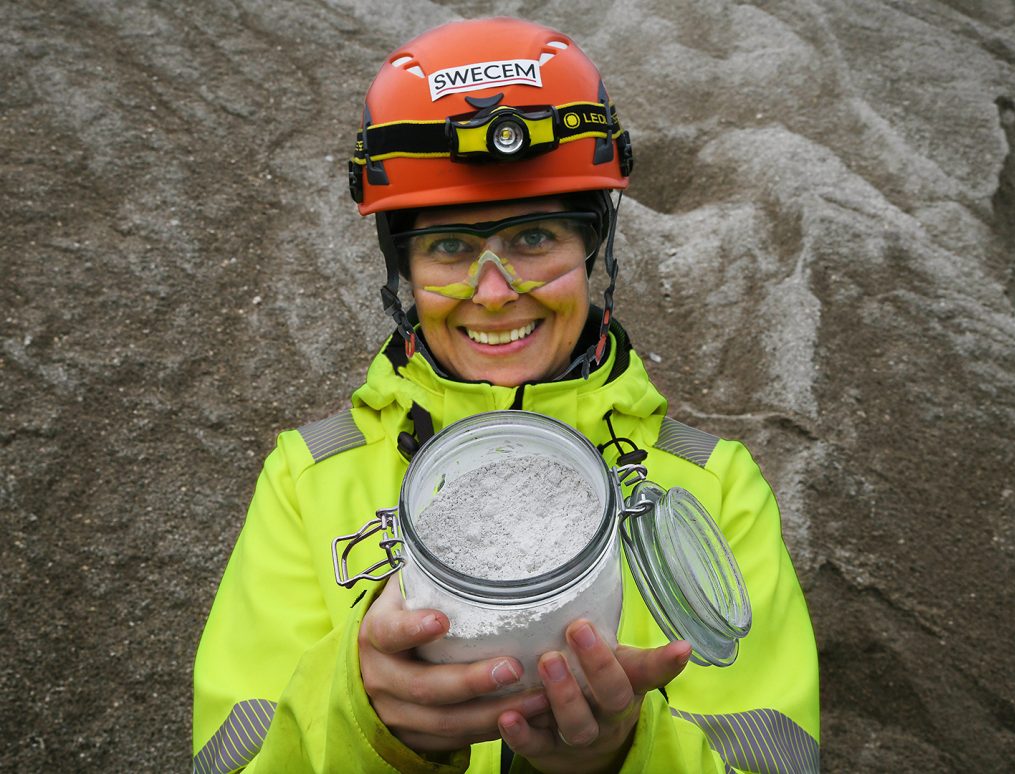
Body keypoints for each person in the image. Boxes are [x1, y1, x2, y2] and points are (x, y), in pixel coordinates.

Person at [192, 17, 819, 774]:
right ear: (403, 270)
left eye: (533, 239)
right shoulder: (308, 479)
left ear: (594, 249)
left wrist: (621, 754)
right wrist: (368, 725)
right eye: (450, 247)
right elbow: (231, 760)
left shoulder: (716, 488)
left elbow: (775, 759)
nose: (494, 293)